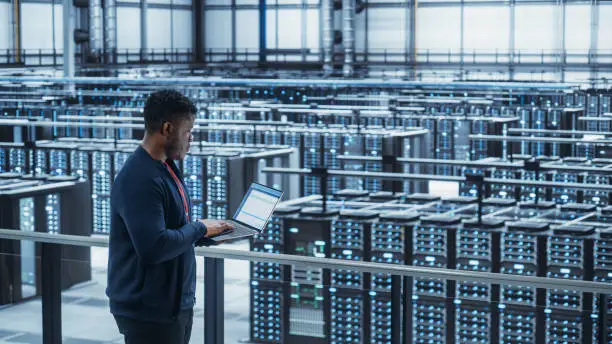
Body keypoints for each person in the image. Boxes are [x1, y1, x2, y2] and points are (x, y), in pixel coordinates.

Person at [106, 89, 233, 344]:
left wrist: (211, 233)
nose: (191, 139)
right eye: (187, 132)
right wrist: (199, 228)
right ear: (167, 128)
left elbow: (175, 228)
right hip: (149, 312)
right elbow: (154, 247)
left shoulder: (165, 169)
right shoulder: (140, 178)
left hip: (172, 306)